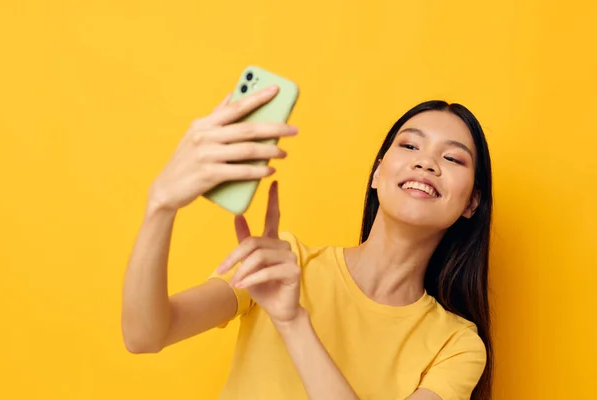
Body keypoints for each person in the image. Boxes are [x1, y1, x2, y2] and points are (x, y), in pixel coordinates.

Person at [122, 85, 493, 400]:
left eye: (451, 157)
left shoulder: (457, 345)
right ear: (378, 173)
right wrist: (160, 206)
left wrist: (292, 320)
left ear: (471, 203)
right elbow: (145, 335)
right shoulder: (282, 261)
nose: (426, 163)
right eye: (410, 147)